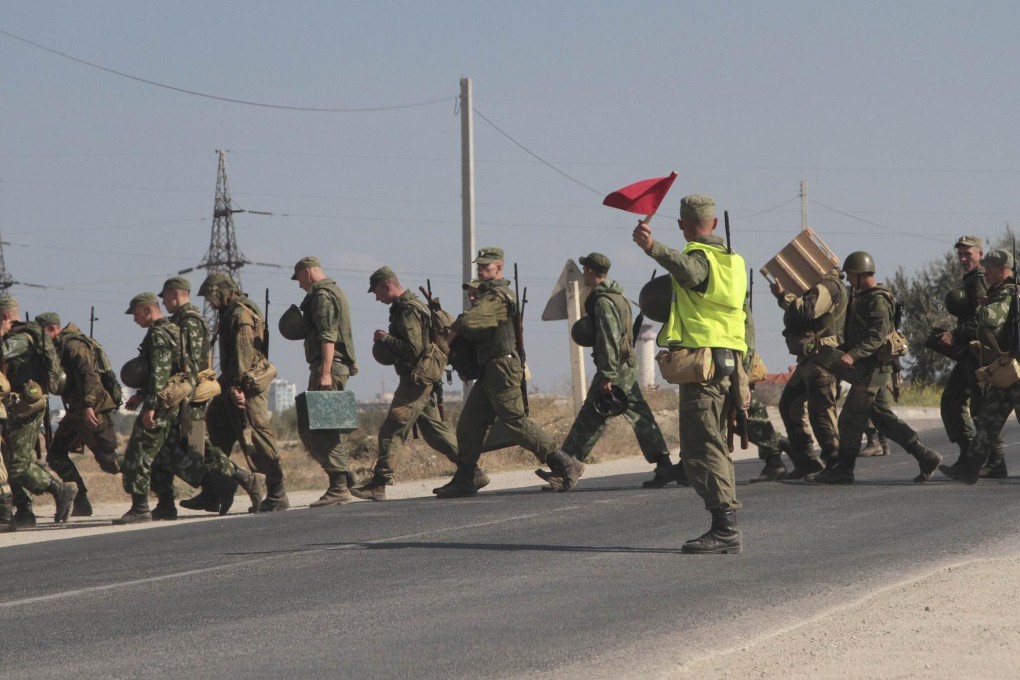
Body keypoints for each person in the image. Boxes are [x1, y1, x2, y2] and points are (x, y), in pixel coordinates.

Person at [634, 195, 747, 554]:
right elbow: (745, 316)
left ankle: (724, 527)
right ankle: (725, 524)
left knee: (702, 448)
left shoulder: (699, 258)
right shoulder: (735, 262)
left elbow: (689, 270)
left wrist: (652, 247)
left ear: (684, 226)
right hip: (729, 362)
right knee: (716, 445)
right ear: (714, 223)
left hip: (703, 369)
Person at [435, 247, 581, 498]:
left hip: (501, 368)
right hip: (490, 368)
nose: (480, 270)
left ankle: (565, 464)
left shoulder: (498, 296)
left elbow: (472, 322)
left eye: (485, 266)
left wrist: (453, 330)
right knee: (469, 424)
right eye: (479, 266)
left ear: (498, 268)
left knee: (515, 422)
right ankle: (466, 477)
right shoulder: (487, 295)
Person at [536, 252, 675, 490]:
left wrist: (608, 374)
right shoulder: (617, 296)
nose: (583, 275)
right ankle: (664, 465)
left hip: (614, 369)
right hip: (624, 367)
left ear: (591, 271)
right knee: (640, 418)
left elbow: (609, 339)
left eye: (585, 270)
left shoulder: (603, 301)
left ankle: (567, 469)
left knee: (589, 418)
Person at [814, 252, 942, 484]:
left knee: (850, 419)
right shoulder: (863, 296)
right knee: (883, 420)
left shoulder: (877, 300)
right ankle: (926, 456)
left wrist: (852, 355)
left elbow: (876, 336)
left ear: (862, 274)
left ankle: (844, 470)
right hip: (870, 368)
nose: (849, 280)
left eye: (852, 275)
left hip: (873, 370)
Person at [153, 277, 266, 518]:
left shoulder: (192, 322)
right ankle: (207, 492)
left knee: (198, 448)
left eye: (165, 297)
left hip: (189, 400)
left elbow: (193, 366)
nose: (211, 303)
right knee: (180, 448)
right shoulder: (186, 320)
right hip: (186, 397)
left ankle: (241, 481)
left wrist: (236, 386)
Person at [354, 266, 461, 501]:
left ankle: (379, 483)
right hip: (420, 379)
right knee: (435, 432)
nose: (376, 297)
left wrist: (385, 339)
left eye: (377, 292)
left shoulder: (407, 310)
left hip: (415, 380)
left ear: (387, 286)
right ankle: (471, 471)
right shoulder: (406, 308)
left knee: (392, 429)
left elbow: (413, 351)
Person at [199, 272, 288, 511]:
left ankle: (276, 490)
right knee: (216, 431)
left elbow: (243, 356)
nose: (209, 302)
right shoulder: (228, 313)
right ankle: (215, 490)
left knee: (256, 439)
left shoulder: (239, 315)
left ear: (223, 291)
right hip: (230, 384)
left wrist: (238, 389)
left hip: (245, 386)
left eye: (211, 296)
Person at [0, 296, 77, 527]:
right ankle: (24, 510)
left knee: (18, 463)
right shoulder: (23, 335)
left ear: (4, 316)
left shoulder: (20, 339)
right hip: (15, 406)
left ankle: (60, 490)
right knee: (8, 459)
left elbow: (2, 352)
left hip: (25, 407)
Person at [289, 257, 359, 506]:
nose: (299, 285)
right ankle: (346, 477)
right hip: (329, 366)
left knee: (320, 428)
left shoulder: (322, 296)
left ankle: (339, 485)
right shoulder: (333, 291)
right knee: (322, 425)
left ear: (307, 272)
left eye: (299, 279)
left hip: (328, 367)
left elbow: (328, 336)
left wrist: (326, 372)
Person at [37, 312, 121, 517]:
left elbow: (88, 376)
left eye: (41, 334)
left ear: (51, 329)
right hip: (76, 411)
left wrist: (88, 405)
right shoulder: (60, 347)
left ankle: (151, 467)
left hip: (92, 409)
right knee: (56, 454)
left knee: (109, 460)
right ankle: (80, 500)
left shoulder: (74, 345)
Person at [941, 250, 1014, 483]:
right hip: (1008, 371)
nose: (987, 273)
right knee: (988, 418)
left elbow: (991, 319)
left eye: (991, 268)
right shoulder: (1000, 292)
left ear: (1003, 269)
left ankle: (974, 466)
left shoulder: (1008, 292)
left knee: (989, 416)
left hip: (1015, 372)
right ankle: (971, 468)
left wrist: (983, 306)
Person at [769, 266, 847, 478]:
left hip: (822, 358)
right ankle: (807, 460)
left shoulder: (829, 285)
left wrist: (784, 296)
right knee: (789, 405)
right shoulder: (823, 286)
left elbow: (806, 310)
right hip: (810, 359)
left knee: (820, 412)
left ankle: (835, 463)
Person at [115, 292, 186, 524]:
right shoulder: (172, 329)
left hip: (161, 403)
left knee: (139, 452)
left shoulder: (158, 334)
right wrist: (141, 396)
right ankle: (166, 505)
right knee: (168, 455)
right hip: (173, 401)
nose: (135, 319)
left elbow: (160, 373)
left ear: (147, 310)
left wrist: (150, 406)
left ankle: (140, 508)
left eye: (136, 313)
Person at [937, 236, 990, 473]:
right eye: (960, 254)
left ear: (980, 254)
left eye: (968, 253)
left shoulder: (979, 279)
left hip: (979, 352)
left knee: (980, 407)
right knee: (953, 400)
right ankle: (970, 454)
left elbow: (981, 318)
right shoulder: (971, 279)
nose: (963, 258)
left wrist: (956, 335)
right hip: (969, 352)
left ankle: (989, 460)